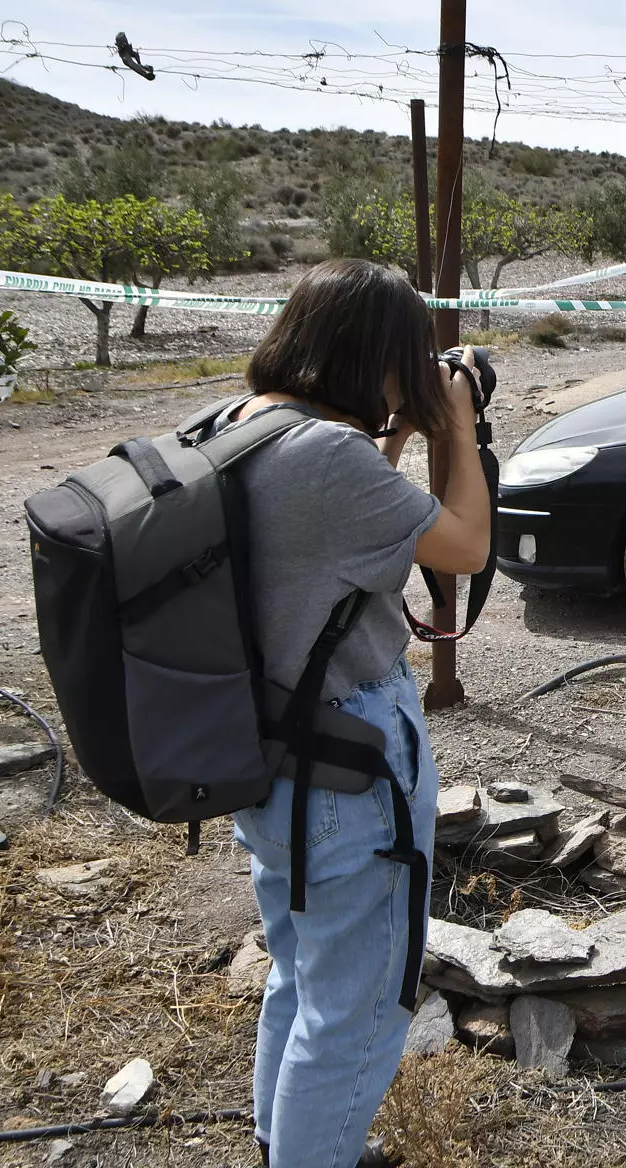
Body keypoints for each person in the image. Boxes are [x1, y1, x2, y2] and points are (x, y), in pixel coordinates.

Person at [228, 259, 492, 1168]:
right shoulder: (329, 458)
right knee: (362, 1008)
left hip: (270, 751)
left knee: (301, 973)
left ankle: (283, 1144)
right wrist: (455, 423)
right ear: (374, 355)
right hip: (347, 761)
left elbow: (342, 535)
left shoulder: (248, 425)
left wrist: (395, 437)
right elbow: (463, 545)